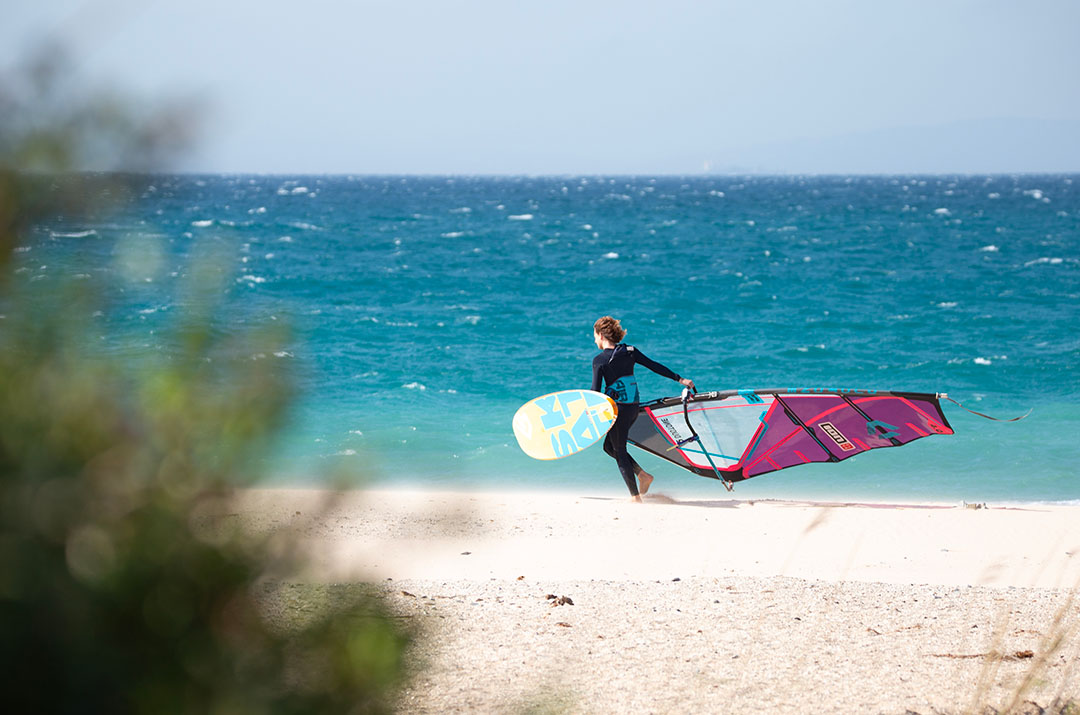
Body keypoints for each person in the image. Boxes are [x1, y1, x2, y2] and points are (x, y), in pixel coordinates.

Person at [590, 316, 695, 503]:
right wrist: (680, 379)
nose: (594, 340)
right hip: (633, 408)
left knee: (619, 450)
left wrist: (588, 413)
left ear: (601, 335)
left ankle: (635, 497)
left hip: (617, 410)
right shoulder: (629, 351)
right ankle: (642, 475)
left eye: (595, 336)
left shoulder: (600, 360)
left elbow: (595, 392)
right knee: (609, 447)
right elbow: (654, 366)